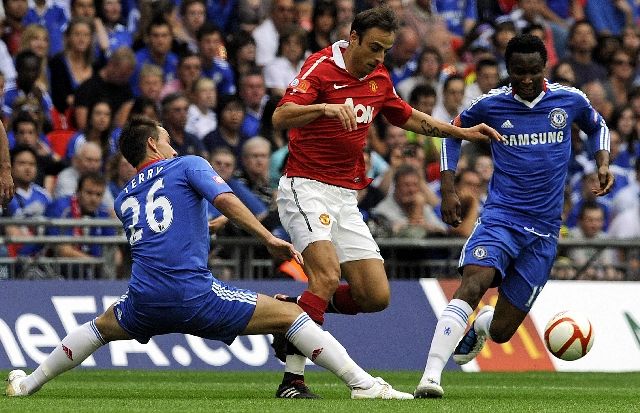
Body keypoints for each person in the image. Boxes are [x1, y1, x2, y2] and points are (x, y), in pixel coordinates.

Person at [5, 115, 413, 400]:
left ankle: (28, 384)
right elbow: (227, 199)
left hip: (144, 300)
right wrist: (266, 236)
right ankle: (363, 384)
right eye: (166, 137)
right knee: (293, 318)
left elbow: (164, 231)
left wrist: (210, 226)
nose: (172, 143)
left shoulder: (125, 195)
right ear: (153, 143)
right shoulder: (187, 165)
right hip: (193, 294)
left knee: (98, 328)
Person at [270, 6, 503, 399]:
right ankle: (293, 380)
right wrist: (324, 107)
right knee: (325, 277)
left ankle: (293, 312)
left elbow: (409, 117)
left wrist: (460, 131)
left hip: (345, 196)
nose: (380, 58)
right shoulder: (321, 67)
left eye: (386, 51)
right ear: (354, 37)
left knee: (374, 296)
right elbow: (282, 116)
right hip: (305, 187)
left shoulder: (378, 77)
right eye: (374, 48)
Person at [414, 34, 614, 399]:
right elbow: (451, 134)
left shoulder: (568, 100)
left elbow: (598, 125)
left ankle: (486, 324)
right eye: (518, 72)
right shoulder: (491, 105)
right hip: (501, 218)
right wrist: (448, 188)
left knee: (504, 330)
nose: (525, 79)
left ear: (545, 68)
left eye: (533, 71)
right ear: (508, 70)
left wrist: (602, 162)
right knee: (474, 283)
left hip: (545, 232)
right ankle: (430, 376)